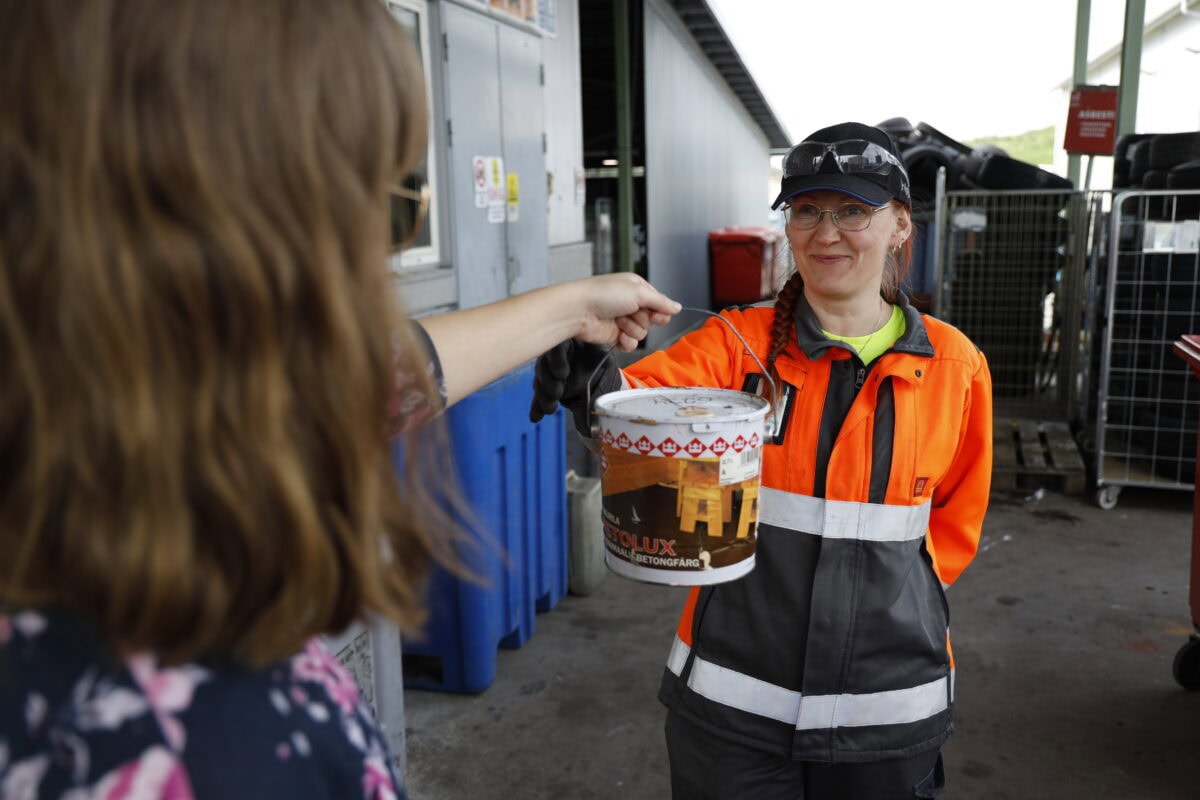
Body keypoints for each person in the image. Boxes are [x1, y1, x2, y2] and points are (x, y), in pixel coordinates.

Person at [0, 1, 680, 798]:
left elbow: (367, 376)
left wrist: (573, 307)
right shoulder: (198, 740)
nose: (369, 273)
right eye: (371, 213)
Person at [531, 122, 993, 799]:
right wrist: (591, 381)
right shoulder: (735, 344)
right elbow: (642, 406)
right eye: (807, 210)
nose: (826, 232)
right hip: (732, 706)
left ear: (899, 225)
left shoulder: (955, 367)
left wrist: (899, 600)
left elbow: (955, 525)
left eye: (852, 212)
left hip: (887, 706)